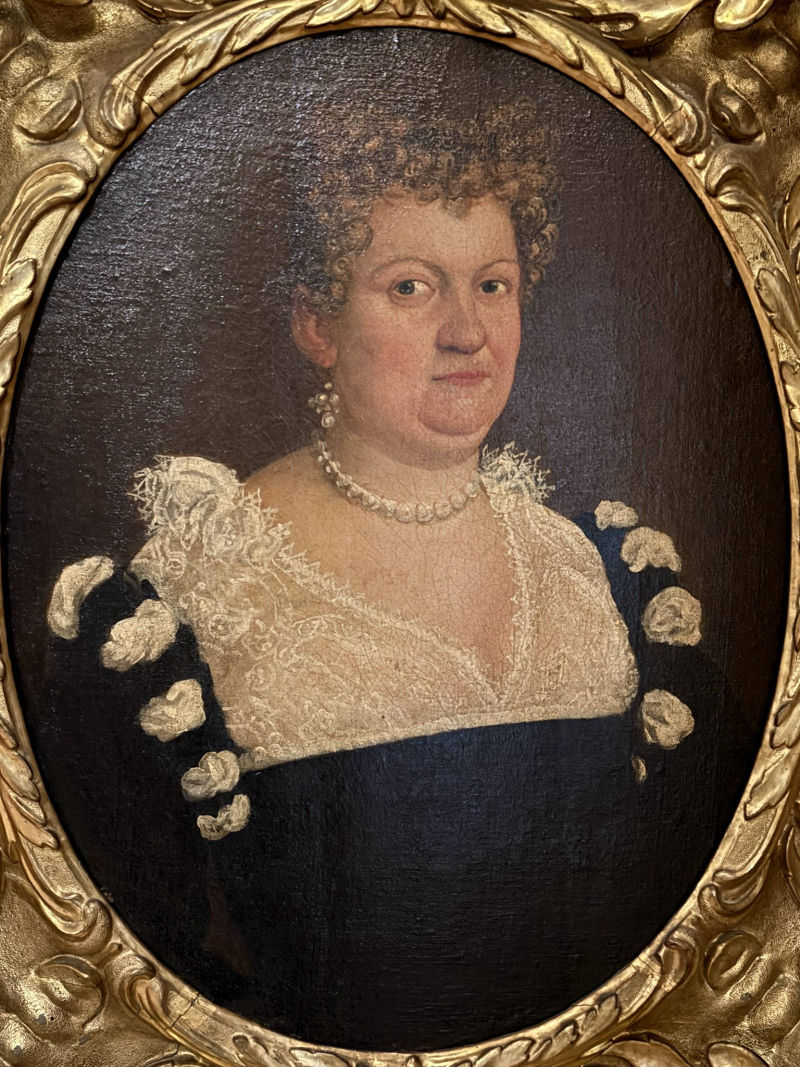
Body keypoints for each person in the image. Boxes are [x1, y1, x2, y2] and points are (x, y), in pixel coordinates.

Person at [44, 101, 710, 1048]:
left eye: (493, 285)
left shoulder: (596, 569)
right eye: (410, 287)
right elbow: (129, 988)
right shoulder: (189, 589)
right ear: (316, 322)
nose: (467, 332)